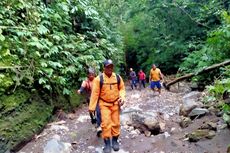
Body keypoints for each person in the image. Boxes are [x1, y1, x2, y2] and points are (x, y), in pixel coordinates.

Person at [89, 59, 126, 153]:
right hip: (104, 104)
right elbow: (95, 94)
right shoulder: (99, 79)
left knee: (116, 123)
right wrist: (92, 108)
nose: (110, 68)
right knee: (105, 124)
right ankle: (107, 144)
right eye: (107, 67)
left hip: (115, 104)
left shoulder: (117, 77)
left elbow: (122, 88)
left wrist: (122, 97)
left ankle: (115, 141)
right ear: (104, 68)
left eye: (111, 66)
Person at [77, 68, 102, 136]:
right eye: (90, 74)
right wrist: (80, 90)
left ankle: (98, 124)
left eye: (92, 74)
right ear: (87, 75)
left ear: (94, 74)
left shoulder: (97, 79)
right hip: (90, 98)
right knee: (91, 110)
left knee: (98, 110)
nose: (91, 76)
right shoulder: (86, 81)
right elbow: (82, 87)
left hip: (97, 98)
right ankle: (93, 119)